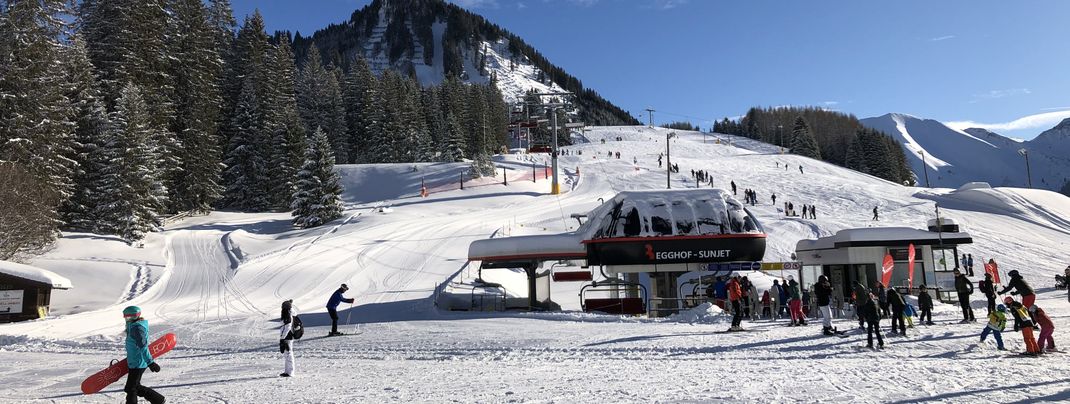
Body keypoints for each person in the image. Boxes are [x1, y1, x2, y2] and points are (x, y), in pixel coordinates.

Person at [122, 306, 164, 404]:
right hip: (135, 361)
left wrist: (151, 363)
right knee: (134, 386)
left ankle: (158, 399)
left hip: (138, 362)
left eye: (128, 317)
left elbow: (143, 347)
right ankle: (158, 399)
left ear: (135, 316)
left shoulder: (137, 328)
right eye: (125, 317)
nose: (126, 319)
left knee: (131, 388)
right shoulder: (132, 326)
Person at [279, 299, 297, 377]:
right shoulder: (288, 314)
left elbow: (288, 327)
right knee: (286, 354)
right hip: (286, 337)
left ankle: (290, 372)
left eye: (283, 307)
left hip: (288, 337)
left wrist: (283, 338)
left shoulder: (287, 315)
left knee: (289, 354)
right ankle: (287, 371)